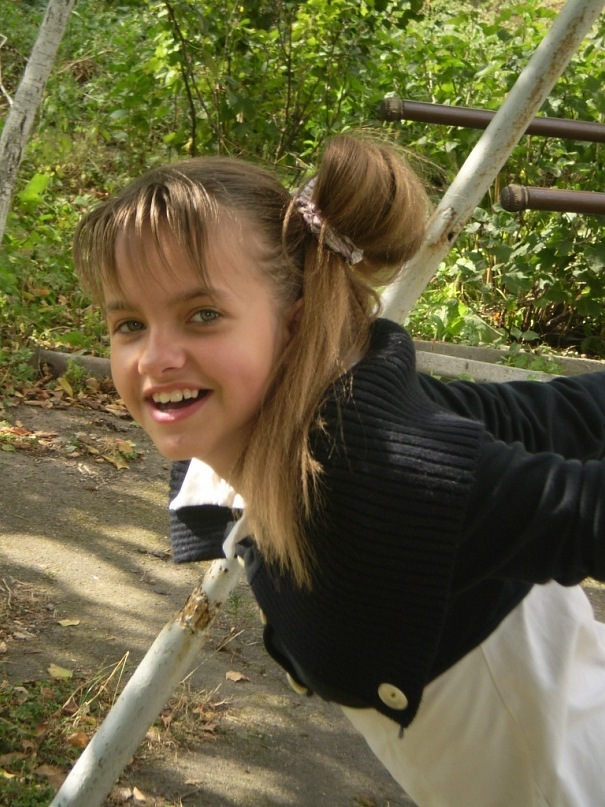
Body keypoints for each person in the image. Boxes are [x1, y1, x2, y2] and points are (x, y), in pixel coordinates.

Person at [73, 134, 605, 807]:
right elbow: (535, 416)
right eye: (128, 324)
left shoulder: (373, 467)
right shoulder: (263, 441)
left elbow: (580, 502)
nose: (154, 357)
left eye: (202, 315)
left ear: (295, 326)